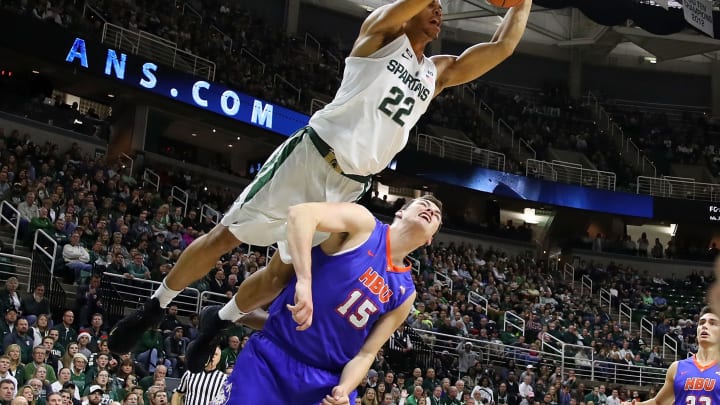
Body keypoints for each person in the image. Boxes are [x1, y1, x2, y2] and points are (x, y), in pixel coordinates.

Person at [108, 0, 532, 356]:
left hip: (351, 184)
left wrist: (521, 2)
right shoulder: (380, 34)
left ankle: (219, 321)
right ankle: (157, 304)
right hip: (311, 157)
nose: (439, 11)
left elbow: (503, 47)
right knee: (227, 236)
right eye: (432, 5)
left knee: (281, 275)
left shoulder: (436, 72)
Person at [209, 196, 442, 405]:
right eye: (424, 204)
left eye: (436, 215)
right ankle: (222, 316)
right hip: (272, 359)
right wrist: (303, 280)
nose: (431, 211)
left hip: (326, 383)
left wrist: (344, 389)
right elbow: (301, 214)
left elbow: (367, 353)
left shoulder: (406, 292)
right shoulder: (364, 225)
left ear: (430, 239)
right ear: (400, 212)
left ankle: (224, 316)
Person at [622, 306, 720, 405]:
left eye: (712, 323)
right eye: (702, 323)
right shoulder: (677, 367)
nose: (705, 326)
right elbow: (658, 402)